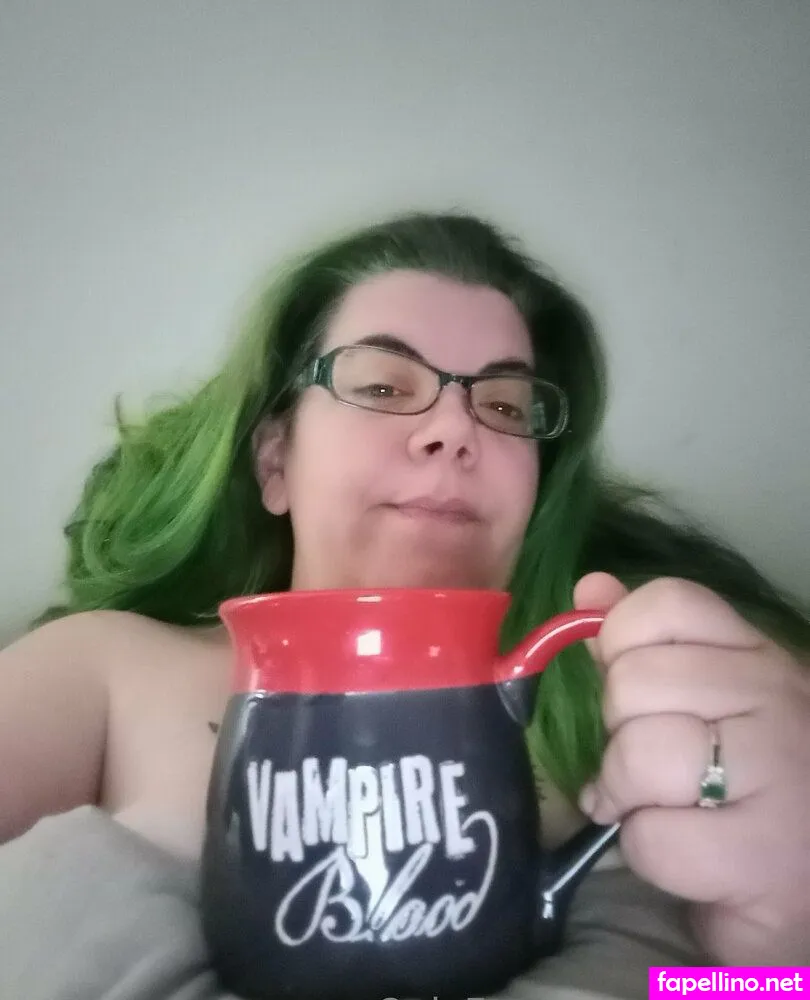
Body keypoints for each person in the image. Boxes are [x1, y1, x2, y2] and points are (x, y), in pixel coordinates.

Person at [1, 211, 808, 999]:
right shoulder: (104, 670)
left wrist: (782, 946)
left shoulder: (661, 705)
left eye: (505, 407)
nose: (456, 430)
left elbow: (748, 992)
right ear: (276, 463)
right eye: (384, 385)